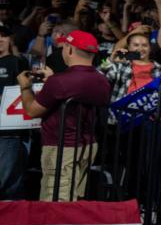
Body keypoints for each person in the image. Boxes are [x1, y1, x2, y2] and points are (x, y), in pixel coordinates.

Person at [15, 30, 110, 201]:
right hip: (88, 146)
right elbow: (75, 87)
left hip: (61, 148)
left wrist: (25, 87)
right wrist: (54, 79)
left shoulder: (59, 82)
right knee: (75, 199)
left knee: (56, 201)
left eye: (64, 46)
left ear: (70, 50)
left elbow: (31, 110)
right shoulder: (102, 80)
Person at [0, 28, 30, 198]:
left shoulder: (17, 62)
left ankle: (12, 221)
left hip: (9, 132)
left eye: (3, 36)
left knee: (9, 184)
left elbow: (24, 91)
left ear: (10, 39)